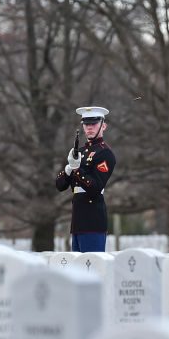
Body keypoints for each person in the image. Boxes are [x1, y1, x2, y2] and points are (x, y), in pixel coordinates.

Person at [54, 106, 116, 252]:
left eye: (94, 124)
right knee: (78, 272)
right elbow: (59, 185)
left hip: (93, 220)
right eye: (86, 124)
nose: (89, 127)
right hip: (77, 221)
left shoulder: (105, 153)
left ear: (103, 126)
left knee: (92, 267)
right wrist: (68, 169)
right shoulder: (80, 152)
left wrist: (77, 169)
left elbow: (95, 187)